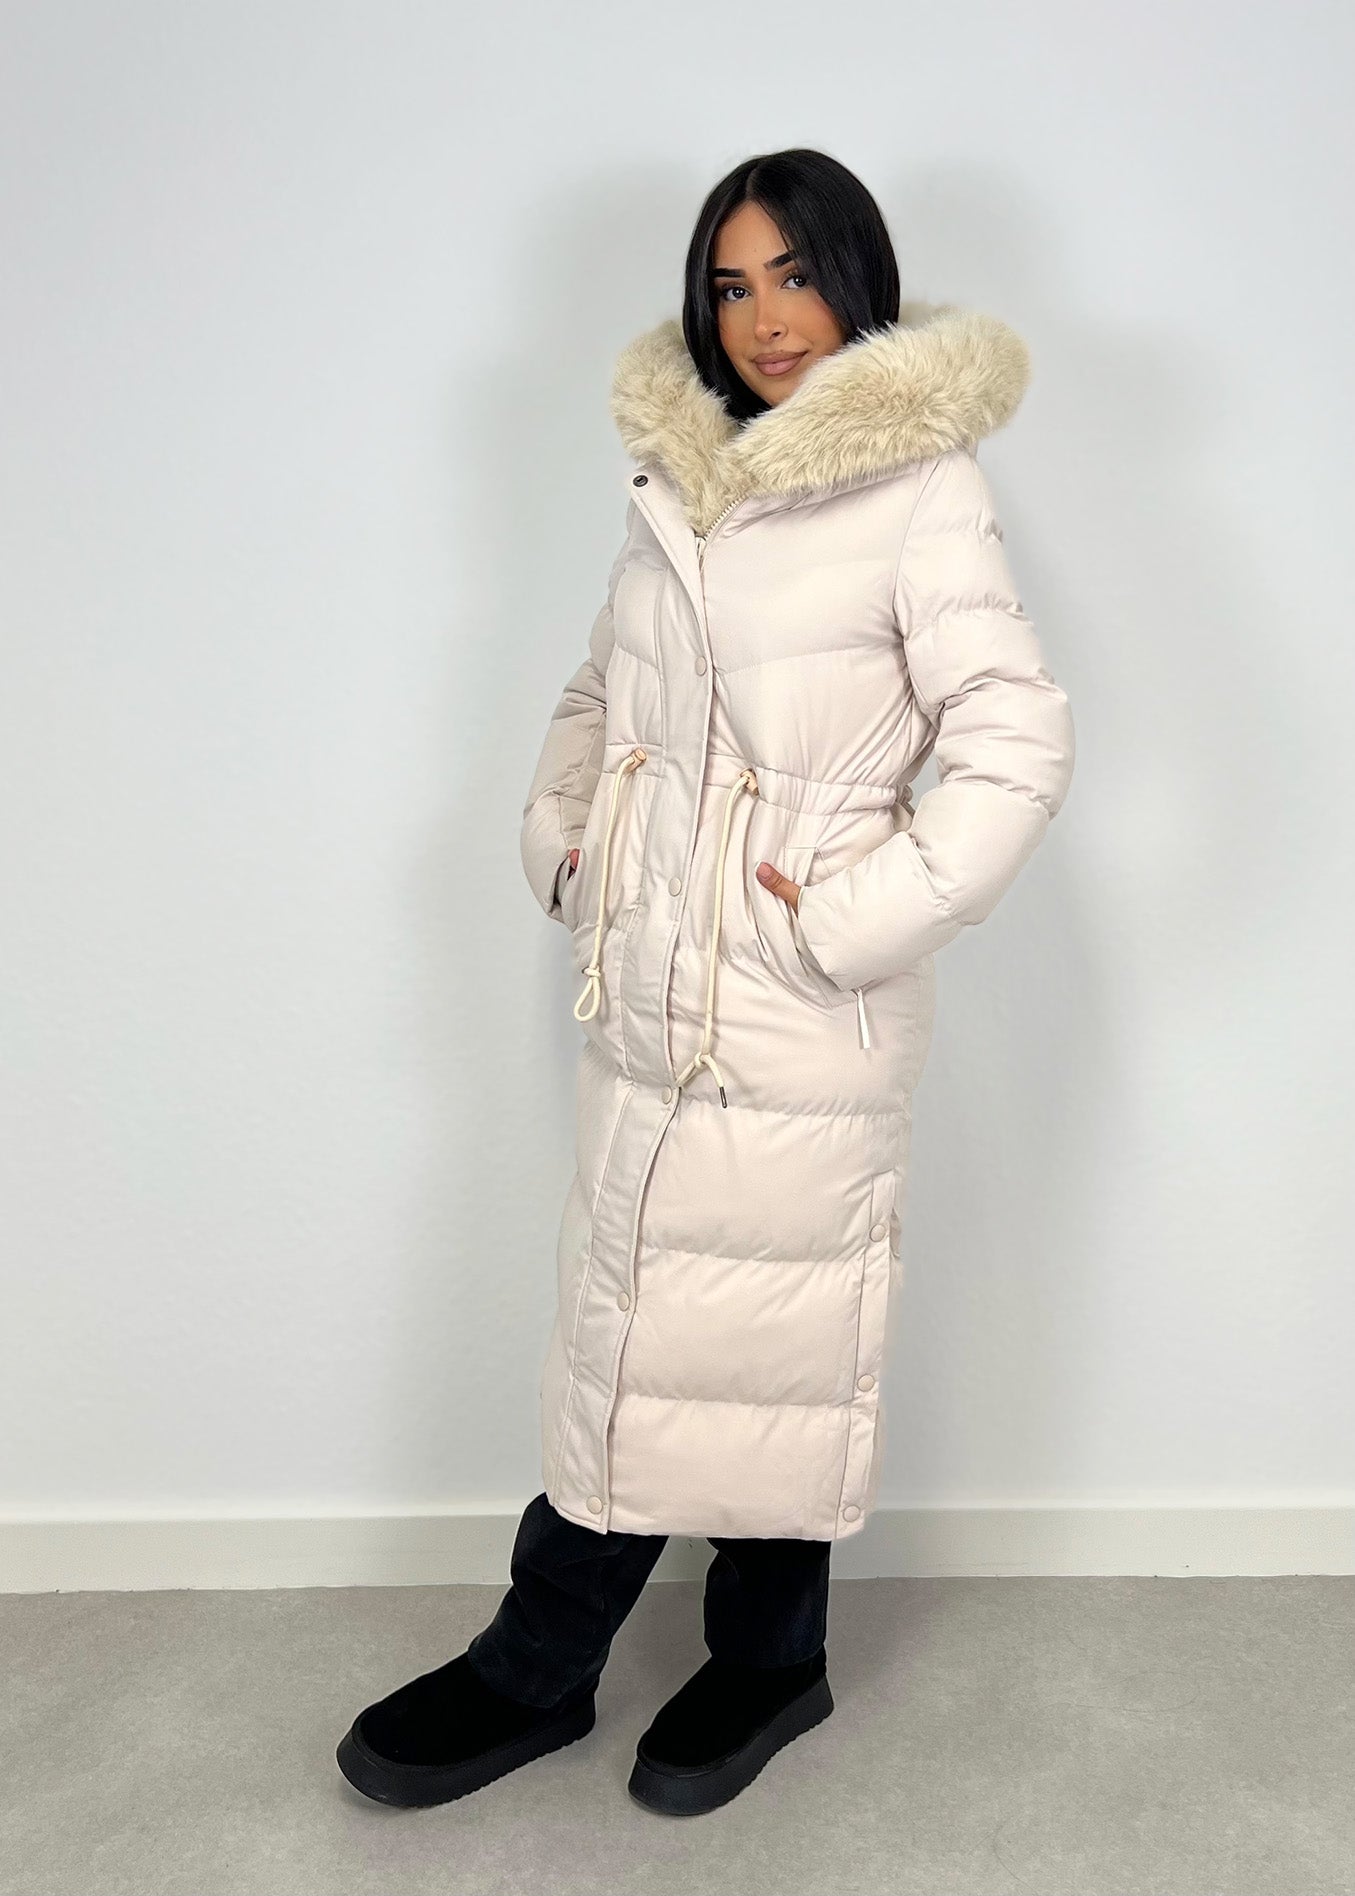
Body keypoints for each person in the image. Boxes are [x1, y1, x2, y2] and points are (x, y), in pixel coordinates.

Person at [337, 146, 1075, 1818]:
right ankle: (570, 1665)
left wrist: (845, 921)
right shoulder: (681, 481)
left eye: (796, 275)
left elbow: (1017, 740)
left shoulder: (919, 488)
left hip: (804, 1004)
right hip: (649, 992)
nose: (765, 318)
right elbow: (600, 695)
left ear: (856, 277)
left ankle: (723, 1661)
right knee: (630, 1327)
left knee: (771, 1342)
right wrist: (569, 853)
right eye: (733, 285)